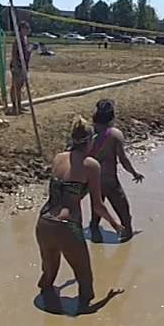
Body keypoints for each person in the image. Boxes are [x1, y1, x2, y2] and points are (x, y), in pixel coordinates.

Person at [38, 117, 125, 313]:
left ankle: (48, 306)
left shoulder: (59, 157)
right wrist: (115, 224)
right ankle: (84, 315)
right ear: (91, 140)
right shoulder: (91, 165)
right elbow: (98, 206)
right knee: (85, 283)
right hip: (67, 227)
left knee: (48, 276)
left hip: (43, 222)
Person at [88, 99, 144, 243]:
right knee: (124, 211)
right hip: (109, 180)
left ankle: (94, 230)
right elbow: (123, 160)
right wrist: (134, 173)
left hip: (93, 179)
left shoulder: (88, 134)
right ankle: (127, 234)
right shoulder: (114, 135)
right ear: (112, 117)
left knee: (97, 207)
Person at [9, 19, 33, 116]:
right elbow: (14, 54)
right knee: (15, 86)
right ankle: (15, 106)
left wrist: (31, 49)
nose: (28, 30)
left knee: (20, 87)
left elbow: (26, 53)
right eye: (26, 28)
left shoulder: (25, 39)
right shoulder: (17, 40)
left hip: (23, 65)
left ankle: (19, 105)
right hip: (18, 65)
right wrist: (16, 66)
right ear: (21, 29)